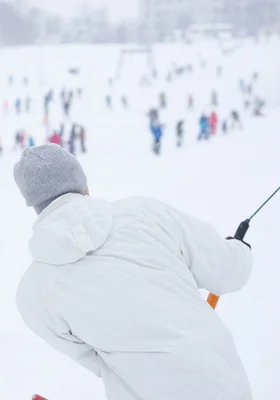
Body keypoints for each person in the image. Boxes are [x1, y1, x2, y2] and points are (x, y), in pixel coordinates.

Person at [13, 144, 253, 400]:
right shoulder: (146, 214)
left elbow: (99, 360)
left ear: (34, 205)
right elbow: (230, 272)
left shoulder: (33, 293)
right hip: (224, 388)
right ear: (83, 185)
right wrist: (238, 249)